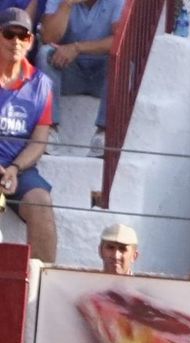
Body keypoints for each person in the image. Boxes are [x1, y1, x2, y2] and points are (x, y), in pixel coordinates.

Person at [0, 9, 56, 262]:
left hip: (18, 169)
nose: (16, 42)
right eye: (8, 34)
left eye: (22, 36)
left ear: (31, 41)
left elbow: (40, 140)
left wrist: (13, 168)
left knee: (41, 204)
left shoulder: (42, 84)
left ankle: (42, 291)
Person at [37, 0, 121, 156]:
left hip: (102, 75)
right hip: (70, 71)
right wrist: (67, 4)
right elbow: (48, 37)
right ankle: (49, 130)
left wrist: (77, 48)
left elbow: (120, 39)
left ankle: (103, 133)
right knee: (45, 54)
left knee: (121, 57)